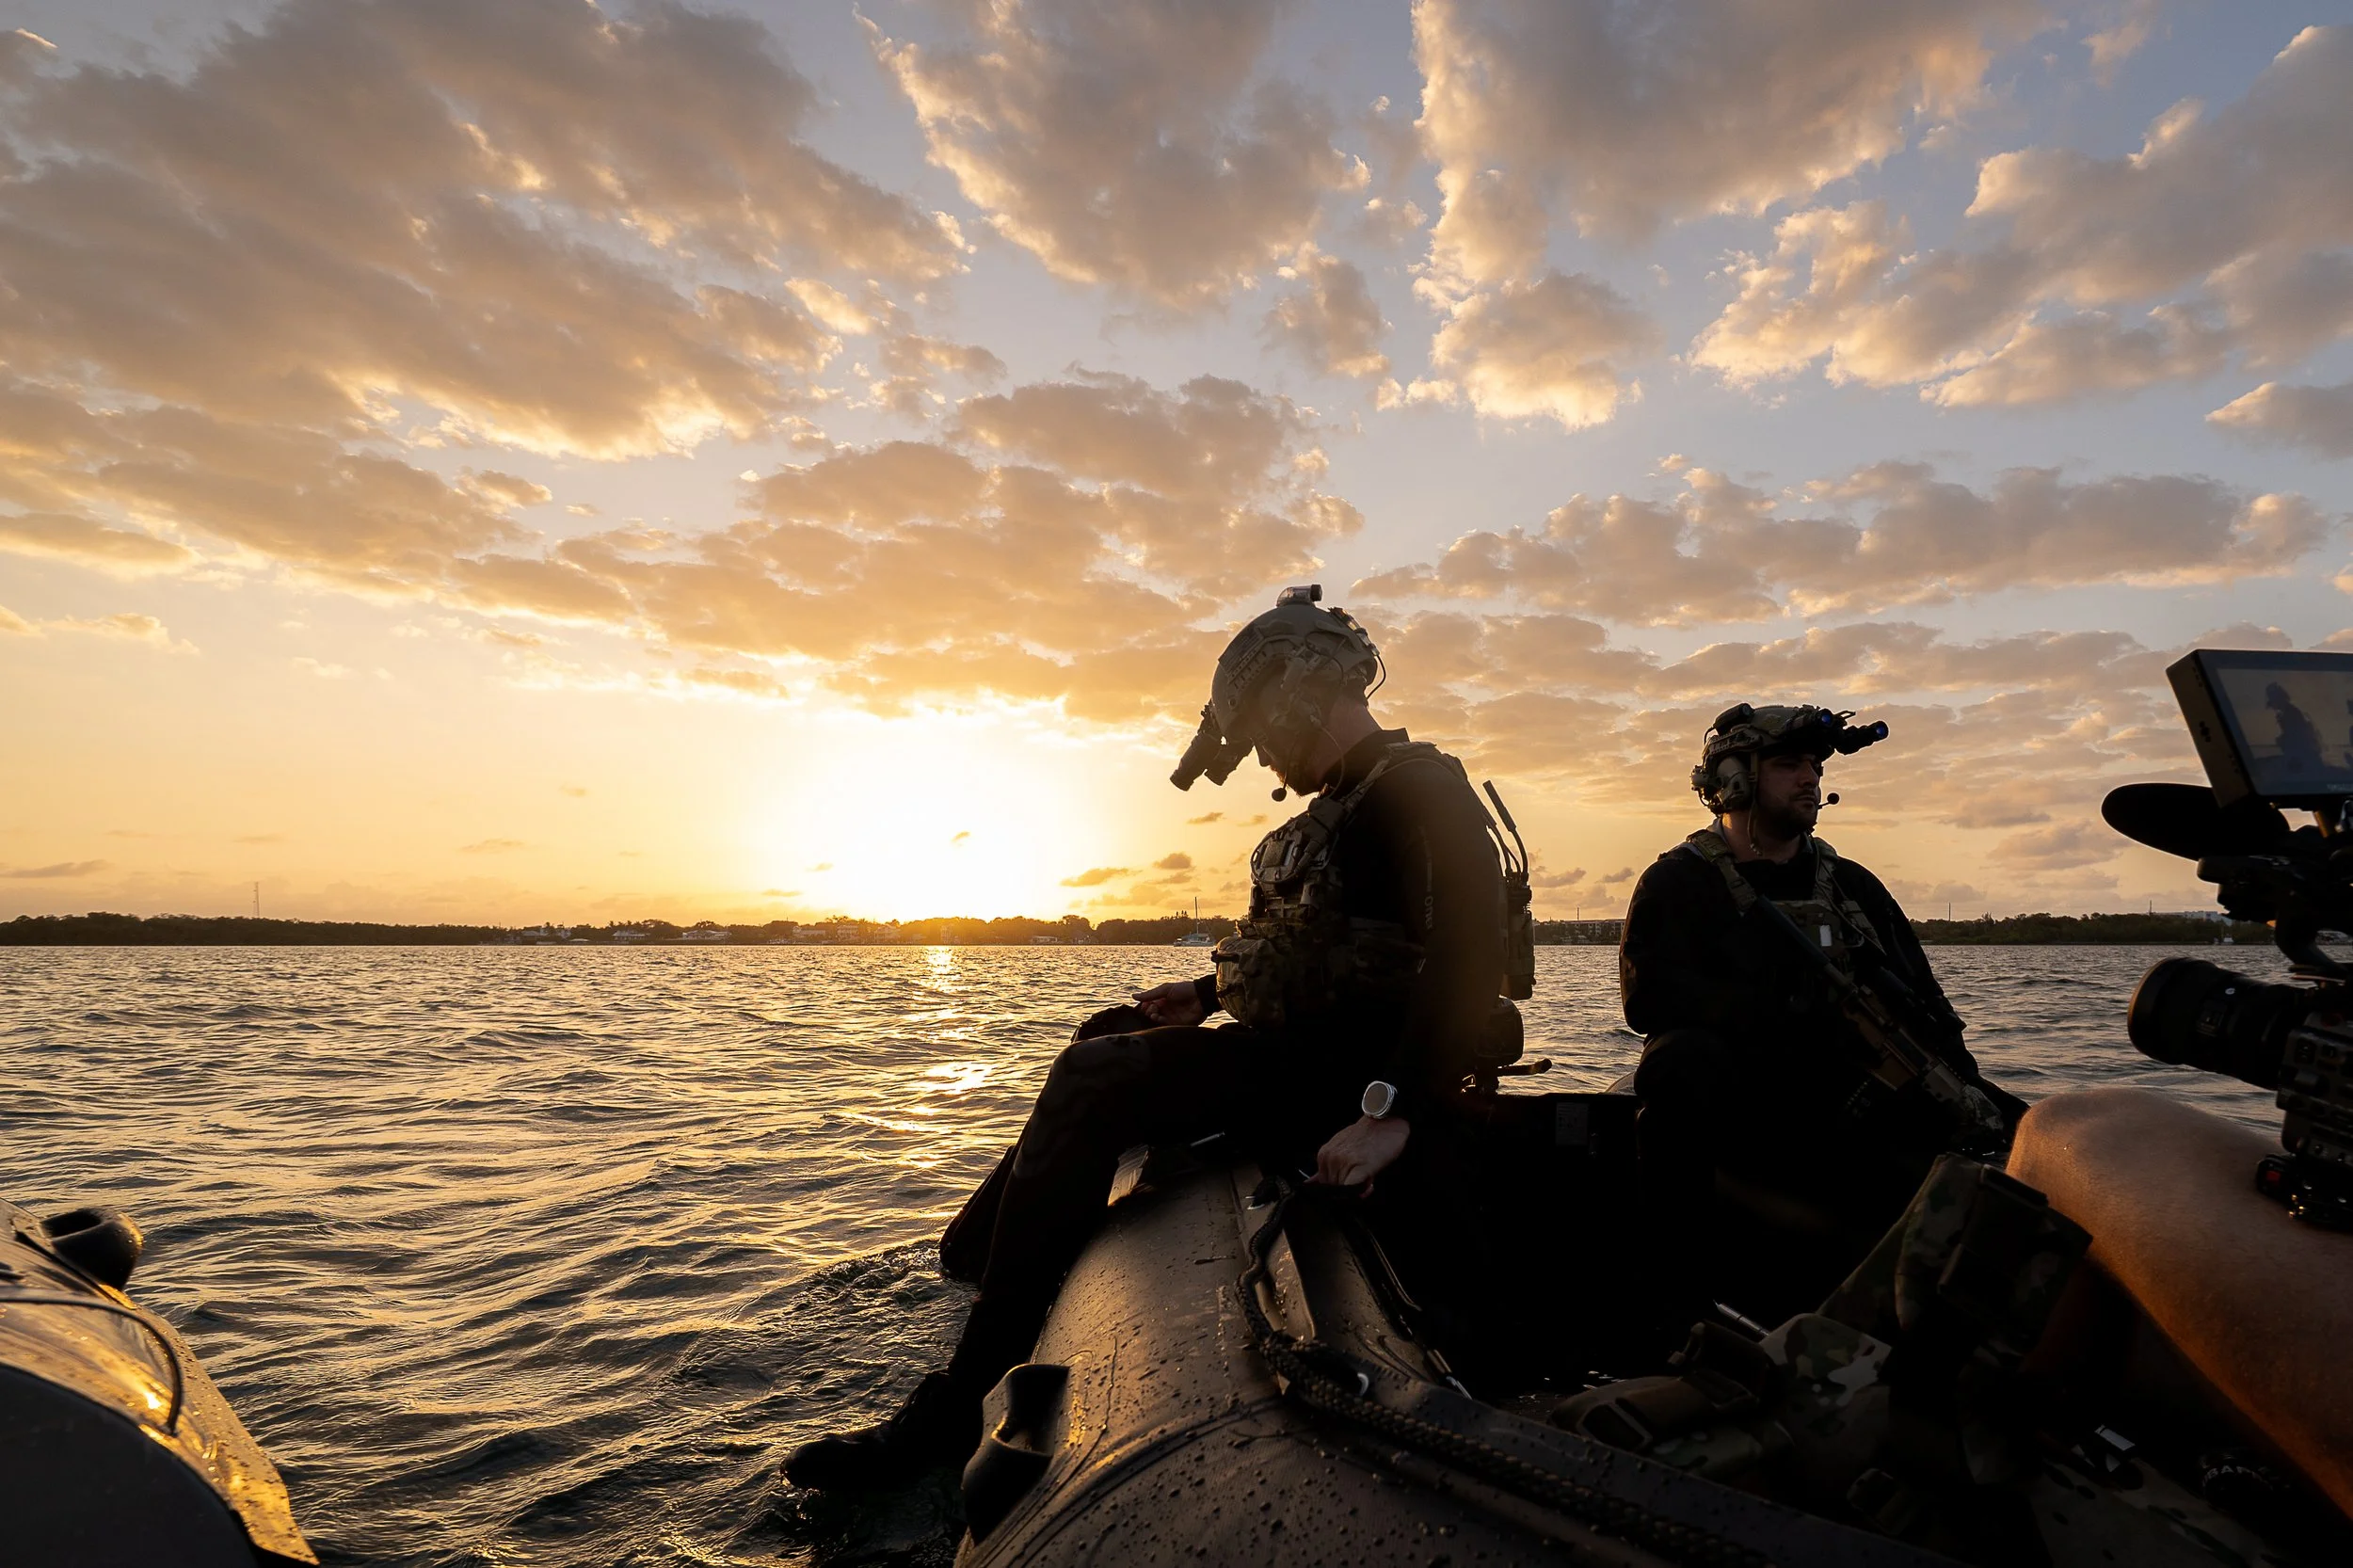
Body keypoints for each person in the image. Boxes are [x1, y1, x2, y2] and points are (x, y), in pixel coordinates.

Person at [782, 587, 1504, 1491]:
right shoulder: (1352, 802)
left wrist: (1389, 1112)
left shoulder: (1418, 789)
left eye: (1259, 729)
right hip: (1303, 1057)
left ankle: (957, 1401)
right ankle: (981, 1256)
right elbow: (1329, 953)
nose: (1262, 755)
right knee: (1106, 1036)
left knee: (1096, 1078)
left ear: (1294, 695)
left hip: (1350, 1079)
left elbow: (1466, 964)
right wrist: (1201, 994)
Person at [1618, 703, 2004, 1320]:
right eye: (1789, 764)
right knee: (1676, 1062)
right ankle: (1677, 1310)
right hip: (1742, 1102)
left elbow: (1928, 1005)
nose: (1809, 779)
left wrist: (1966, 1092)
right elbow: (1649, 1000)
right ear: (1736, 780)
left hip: (1846, 1101)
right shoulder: (1680, 882)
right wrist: (1778, 1008)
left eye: (1815, 767)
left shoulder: (1852, 886)